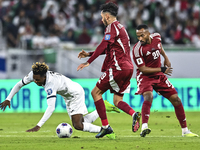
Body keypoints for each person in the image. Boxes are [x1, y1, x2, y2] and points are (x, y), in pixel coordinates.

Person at [77, 2, 141, 139]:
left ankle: (106, 127)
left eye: (102, 17)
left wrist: (89, 61)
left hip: (118, 68)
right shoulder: (121, 28)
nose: (101, 20)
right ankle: (134, 114)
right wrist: (89, 54)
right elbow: (108, 49)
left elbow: (103, 44)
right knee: (117, 100)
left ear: (107, 16)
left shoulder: (111, 27)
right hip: (128, 68)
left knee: (95, 93)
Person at [0, 62, 120, 134]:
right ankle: (102, 107)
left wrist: (38, 126)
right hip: (68, 95)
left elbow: (51, 107)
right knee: (82, 122)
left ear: (44, 76)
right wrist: (8, 98)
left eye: (38, 79)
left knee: (78, 125)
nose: (35, 81)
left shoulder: (51, 84)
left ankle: (105, 130)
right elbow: (19, 84)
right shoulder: (34, 74)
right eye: (34, 79)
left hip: (75, 94)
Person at [132, 24, 199, 137]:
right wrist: (162, 69)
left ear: (148, 33)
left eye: (142, 36)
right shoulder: (137, 49)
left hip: (159, 75)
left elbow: (160, 47)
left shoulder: (157, 37)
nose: (140, 39)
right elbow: (143, 69)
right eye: (138, 36)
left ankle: (185, 131)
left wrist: (166, 58)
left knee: (176, 99)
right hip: (145, 76)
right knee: (148, 96)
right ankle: (144, 127)